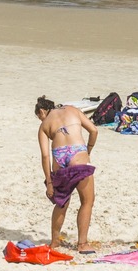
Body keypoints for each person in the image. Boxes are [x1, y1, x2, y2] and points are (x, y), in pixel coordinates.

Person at [35, 97, 99, 252]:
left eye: (39, 116)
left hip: (59, 157)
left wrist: (49, 183)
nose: (40, 119)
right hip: (78, 154)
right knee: (87, 201)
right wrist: (88, 150)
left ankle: (55, 242)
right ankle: (82, 244)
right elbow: (94, 130)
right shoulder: (73, 110)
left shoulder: (44, 125)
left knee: (61, 202)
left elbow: (45, 156)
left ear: (42, 111)